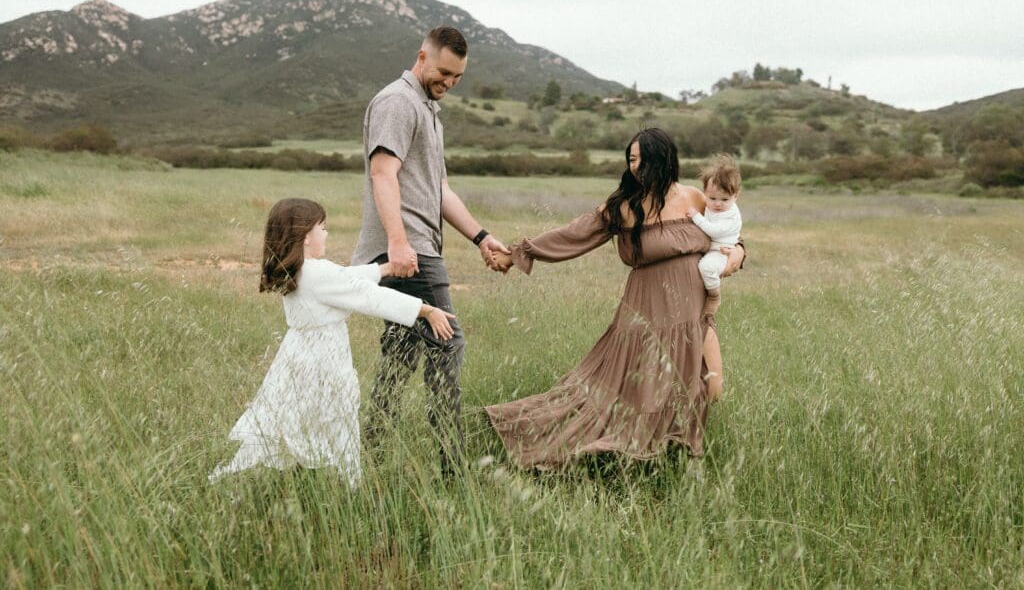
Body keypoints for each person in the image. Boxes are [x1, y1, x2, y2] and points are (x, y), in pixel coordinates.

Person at [485, 128, 744, 470]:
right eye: (630, 160)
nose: (634, 167)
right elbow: (575, 233)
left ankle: (671, 456)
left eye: (639, 159)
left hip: (693, 316)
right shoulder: (625, 207)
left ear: (661, 159)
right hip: (646, 317)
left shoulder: (696, 197)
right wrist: (520, 253)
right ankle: (630, 462)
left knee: (710, 386)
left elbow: (729, 233)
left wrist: (738, 254)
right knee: (631, 394)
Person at [209, 198, 456, 487]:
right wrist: (425, 310)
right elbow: (367, 296)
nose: (327, 234)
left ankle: (295, 478)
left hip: (298, 356)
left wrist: (384, 269)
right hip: (324, 362)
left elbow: (345, 278)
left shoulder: (301, 269)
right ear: (304, 237)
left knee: (294, 420)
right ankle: (348, 484)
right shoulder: (317, 272)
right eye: (322, 228)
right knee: (338, 420)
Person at [351, 27, 510, 475]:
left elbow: (438, 190)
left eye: (457, 76)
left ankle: (373, 453)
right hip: (410, 251)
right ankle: (452, 468)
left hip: (417, 246)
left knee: (401, 354)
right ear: (421, 56)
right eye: (443, 72)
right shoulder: (398, 102)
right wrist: (399, 244)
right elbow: (383, 174)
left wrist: (481, 237)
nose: (449, 82)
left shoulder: (429, 110)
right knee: (447, 343)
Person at [686, 154, 742, 321]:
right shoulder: (711, 205)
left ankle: (714, 295)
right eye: (712, 198)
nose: (718, 204)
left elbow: (714, 231)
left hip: (721, 252)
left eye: (725, 199)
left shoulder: (731, 215)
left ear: (735, 196)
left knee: (707, 268)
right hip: (710, 249)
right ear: (705, 193)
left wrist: (696, 217)